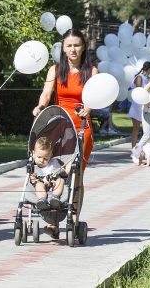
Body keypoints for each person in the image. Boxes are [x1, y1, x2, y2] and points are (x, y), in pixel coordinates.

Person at [32, 28, 97, 238]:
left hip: (81, 129)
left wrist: (89, 107)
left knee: (76, 176)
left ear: (83, 46)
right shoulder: (56, 69)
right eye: (69, 45)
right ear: (63, 48)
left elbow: (96, 97)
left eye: (77, 45)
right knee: (51, 173)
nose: (73, 49)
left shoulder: (92, 71)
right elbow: (46, 93)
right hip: (59, 127)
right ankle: (53, 222)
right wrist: (40, 107)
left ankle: (73, 220)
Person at [29, 137, 70, 210]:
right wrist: (32, 179)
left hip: (54, 184)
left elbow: (65, 172)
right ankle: (42, 200)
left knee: (61, 180)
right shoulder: (34, 167)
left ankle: (55, 197)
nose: (42, 160)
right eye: (39, 157)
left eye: (45, 158)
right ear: (33, 154)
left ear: (50, 156)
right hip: (41, 182)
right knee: (39, 185)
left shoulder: (54, 163)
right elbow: (32, 177)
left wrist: (72, 161)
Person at [128, 62, 150, 148]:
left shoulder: (149, 79)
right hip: (137, 105)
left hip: (145, 104)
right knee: (136, 128)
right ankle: (133, 148)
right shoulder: (139, 77)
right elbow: (139, 91)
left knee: (147, 129)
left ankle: (147, 150)